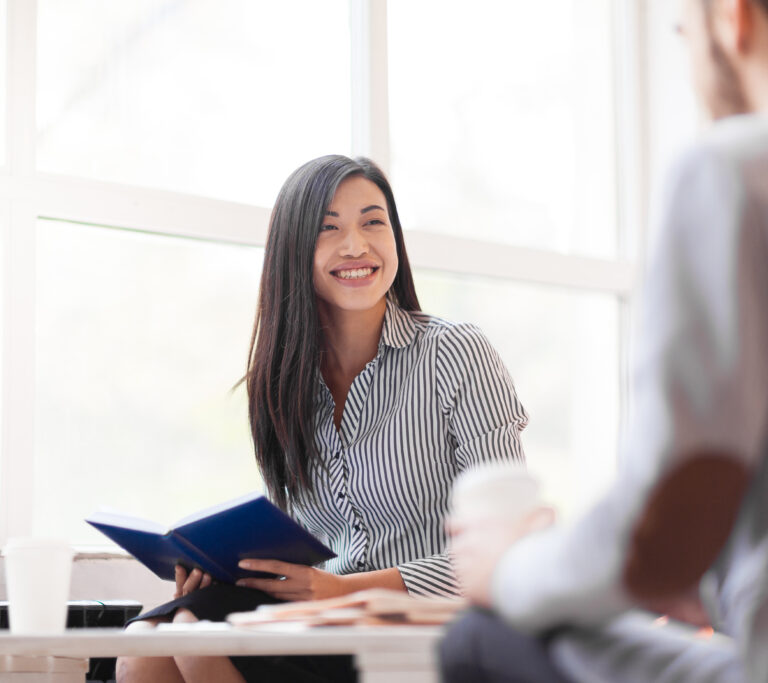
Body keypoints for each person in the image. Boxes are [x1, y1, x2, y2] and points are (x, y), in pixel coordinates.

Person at [442, 0, 768, 680]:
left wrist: (509, 567)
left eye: (683, 33)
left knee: (480, 632)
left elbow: (664, 526)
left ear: (732, 19)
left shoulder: (732, 168)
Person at [116, 154, 529, 683]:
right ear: (294, 251)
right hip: (318, 620)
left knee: (195, 640)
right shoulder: (279, 386)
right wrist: (219, 566)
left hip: (428, 627)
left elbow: (506, 551)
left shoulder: (457, 354)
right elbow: (299, 551)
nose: (356, 245)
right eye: (328, 229)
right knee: (143, 644)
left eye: (373, 222)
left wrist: (345, 589)